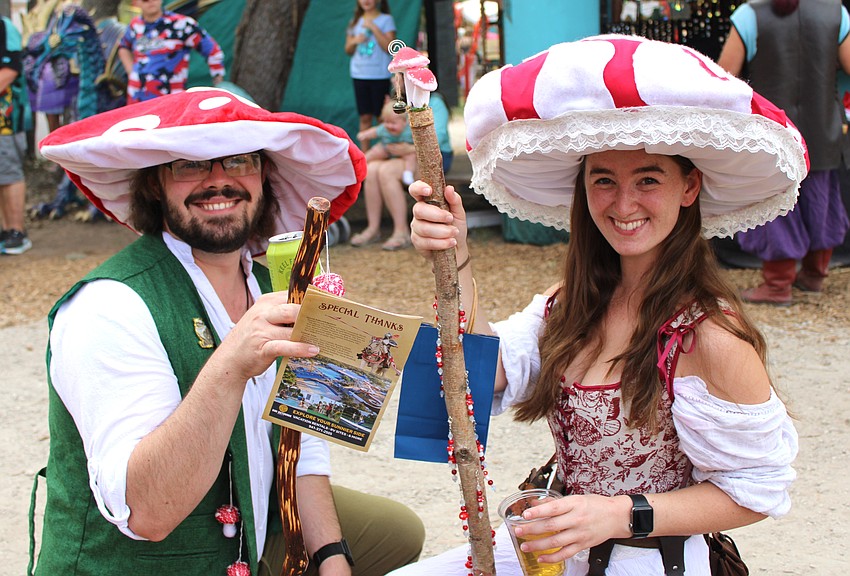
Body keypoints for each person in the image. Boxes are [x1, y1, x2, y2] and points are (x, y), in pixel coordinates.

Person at [391, 35, 800, 576]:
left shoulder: (711, 335)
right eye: (603, 180)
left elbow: (756, 491)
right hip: (556, 550)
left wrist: (617, 514)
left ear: (689, 186)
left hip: (654, 561)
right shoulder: (569, 307)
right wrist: (457, 257)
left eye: (648, 179)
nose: (623, 203)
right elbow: (478, 374)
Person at [31, 87, 424, 575]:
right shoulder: (110, 305)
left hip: (251, 522)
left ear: (263, 176)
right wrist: (232, 361)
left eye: (238, 161)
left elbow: (302, 433)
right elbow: (149, 513)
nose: (218, 181)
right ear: (155, 184)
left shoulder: (269, 285)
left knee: (397, 533)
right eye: (190, 165)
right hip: (139, 561)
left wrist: (330, 555)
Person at [717, 0, 850, 305]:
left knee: (777, 204)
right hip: (823, 127)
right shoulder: (836, 12)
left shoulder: (750, 15)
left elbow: (725, 77)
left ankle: (778, 285)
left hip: (775, 130)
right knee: (822, 200)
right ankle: (815, 275)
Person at [350, 92, 453, 251]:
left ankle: (401, 231)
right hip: (398, 153)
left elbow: (436, 138)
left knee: (387, 171)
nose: (393, 79)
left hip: (431, 155)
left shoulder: (433, 101)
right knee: (371, 169)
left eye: (397, 75)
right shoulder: (397, 101)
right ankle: (373, 228)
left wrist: (408, 148)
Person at [118, 0, 225, 104]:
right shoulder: (135, 25)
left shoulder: (181, 24)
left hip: (170, 101)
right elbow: (123, 47)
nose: (151, 1)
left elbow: (213, 51)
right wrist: (131, 72)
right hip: (137, 100)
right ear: (135, 3)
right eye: (145, 0)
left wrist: (218, 83)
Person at [344, 0, 396, 151]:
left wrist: (373, 27)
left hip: (379, 75)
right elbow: (348, 49)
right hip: (359, 75)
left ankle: (383, 152)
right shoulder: (354, 22)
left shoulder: (386, 20)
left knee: (382, 117)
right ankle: (364, 157)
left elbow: (389, 47)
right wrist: (355, 40)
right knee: (365, 117)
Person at [0, 15, 31, 255]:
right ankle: (4, 230)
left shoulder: (4, 26)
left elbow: (10, 70)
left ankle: (16, 230)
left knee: (9, 172)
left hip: (6, 118)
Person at [356, 99, 417, 187]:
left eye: (393, 123)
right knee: (374, 151)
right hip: (386, 147)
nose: (389, 125)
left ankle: (408, 173)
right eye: (386, 122)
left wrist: (410, 148)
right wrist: (364, 134)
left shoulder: (409, 130)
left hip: (404, 150)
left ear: (405, 121)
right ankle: (359, 166)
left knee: (411, 156)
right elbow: (374, 131)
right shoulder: (384, 129)